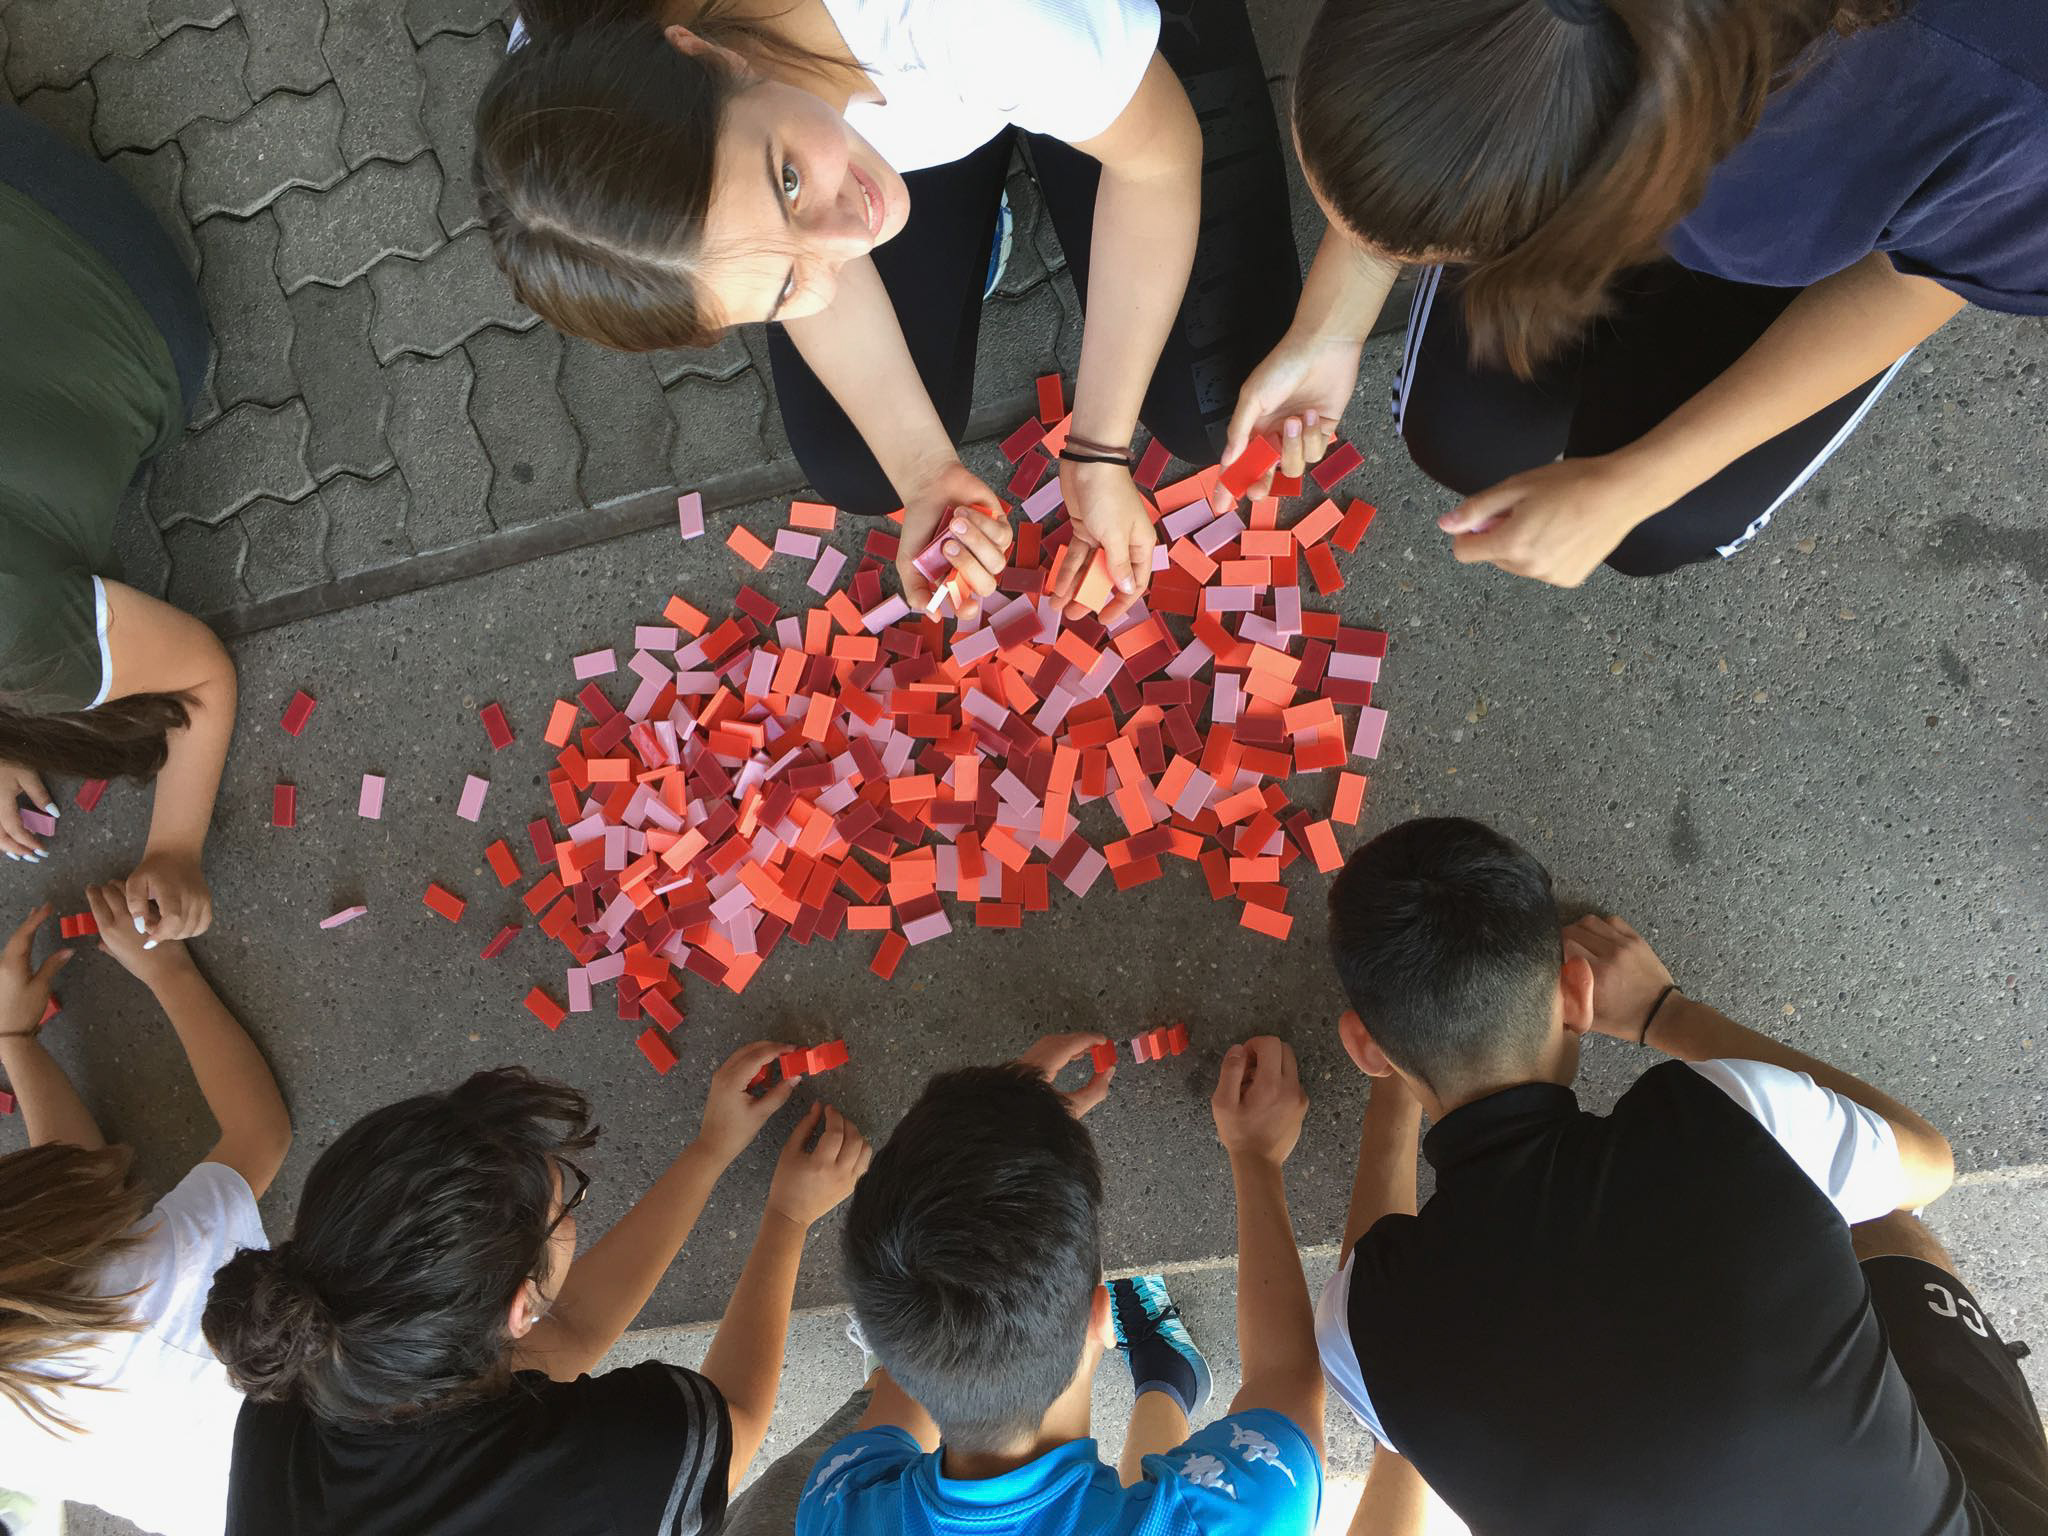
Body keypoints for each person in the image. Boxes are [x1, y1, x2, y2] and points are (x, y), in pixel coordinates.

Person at [1316, 816, 2048, 1534]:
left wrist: (1405, 1071)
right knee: (1882, 1216)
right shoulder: (1735, 1123)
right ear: (1576, 993)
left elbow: (1371, 1277)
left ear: (1364, 1048)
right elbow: (1929, 1164)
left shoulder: (1361, 1335)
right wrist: (1662, 1013)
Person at [475, 0, 1302, 626]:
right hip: (953, 73)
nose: (850, 235)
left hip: (1018, 39)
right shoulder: (578, 116)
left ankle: (1082, 74)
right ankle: (994, 138)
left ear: (705, 54)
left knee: (1219, 406)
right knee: (860, 463)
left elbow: (1158, 159)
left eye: (787, 181)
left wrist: (1099, 448)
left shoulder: (970, 21)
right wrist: (925, 472)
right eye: (783, 284)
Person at [1216, 0, 2048, 587]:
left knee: (1664, 524)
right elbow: (1440, 98)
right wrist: (1330, 324)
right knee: (1460, 435)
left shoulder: (2003, 101)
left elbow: (1921, 278)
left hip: (1839, 243)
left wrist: (1632, 485)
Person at [203, 1039, 869, 1536]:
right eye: (565, 1206)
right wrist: (788, 1219)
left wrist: (710, 1151)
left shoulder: (294, 1377)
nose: (570, 1210)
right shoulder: (613, 1468)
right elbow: (738, 1416)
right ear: (520, 1307)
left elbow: (566, 1335)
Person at [797, 1030, 1326, 1536]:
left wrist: (1004, 1134)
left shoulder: (837, 1506)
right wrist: (1256, 1156)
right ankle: (1167, 1377)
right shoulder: (830, 1508)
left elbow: (1287, 1383)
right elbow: (1286, 1379)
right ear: (1102, 1315)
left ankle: (1170, 1376)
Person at [0, 104, 236, 940]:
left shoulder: (27, 641)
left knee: (114, 475)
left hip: (132, 299)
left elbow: (201, 676)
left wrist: (176, 848)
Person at [0, 890, 292, 1536]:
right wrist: (167, 969)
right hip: (316, 1480)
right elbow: (261, 1132)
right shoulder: (152, 1289)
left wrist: (15, 1041)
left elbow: (74, 1206)